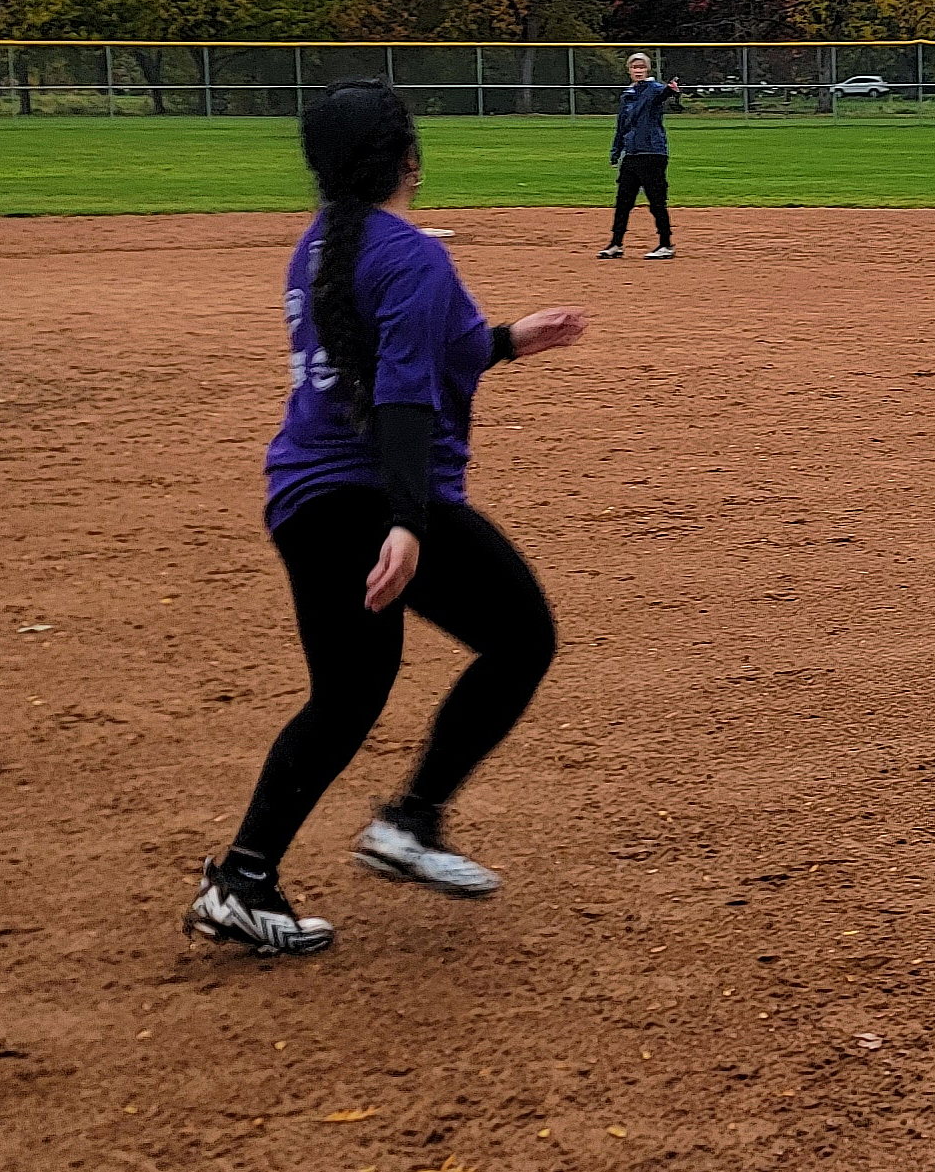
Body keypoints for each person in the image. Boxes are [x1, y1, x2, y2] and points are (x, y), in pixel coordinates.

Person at [186, 82, 585, 960]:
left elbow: (412, 354)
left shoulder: (319, 247)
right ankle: (410, 821)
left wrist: (510, 340)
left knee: (346, 697)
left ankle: (243, 879)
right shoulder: (411, 257)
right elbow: (402, 394)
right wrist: (406, 521)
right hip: (372, 498)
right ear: (408, 158)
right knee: (522, 637)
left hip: (307, 497)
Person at [601, 49, 682, 259]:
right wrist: (616, 151)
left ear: (647, 69)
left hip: (653, 153)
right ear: (629, 70)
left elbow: (663, 95)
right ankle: (616, 244)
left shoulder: (654, 89)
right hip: (632, 154)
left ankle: (666, 244)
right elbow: (621, 126)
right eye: (634, 67)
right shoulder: (627, 95)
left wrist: (671, 91)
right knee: (623, 202)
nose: (638, 70)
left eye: (642, 66)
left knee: (656, 201)